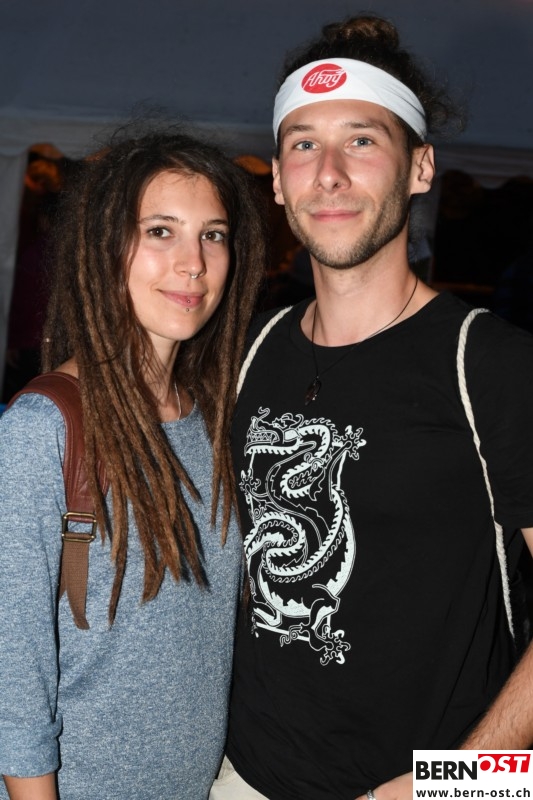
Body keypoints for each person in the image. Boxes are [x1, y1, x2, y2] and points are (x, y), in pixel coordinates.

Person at [209, 14, 533, 800]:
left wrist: (453, 785)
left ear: (419, 167)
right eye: (303, 144)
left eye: (360, 140)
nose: (328, 173)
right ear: (276, 179)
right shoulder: (248, 347)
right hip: (240, 776)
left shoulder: (492, 363)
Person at [0, 125, 265, 799]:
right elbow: (13, 673)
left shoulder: (213, 421)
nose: (193, 263)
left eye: (212, 234)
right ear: (104, 247)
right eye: (160, 231)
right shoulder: (44, 427)